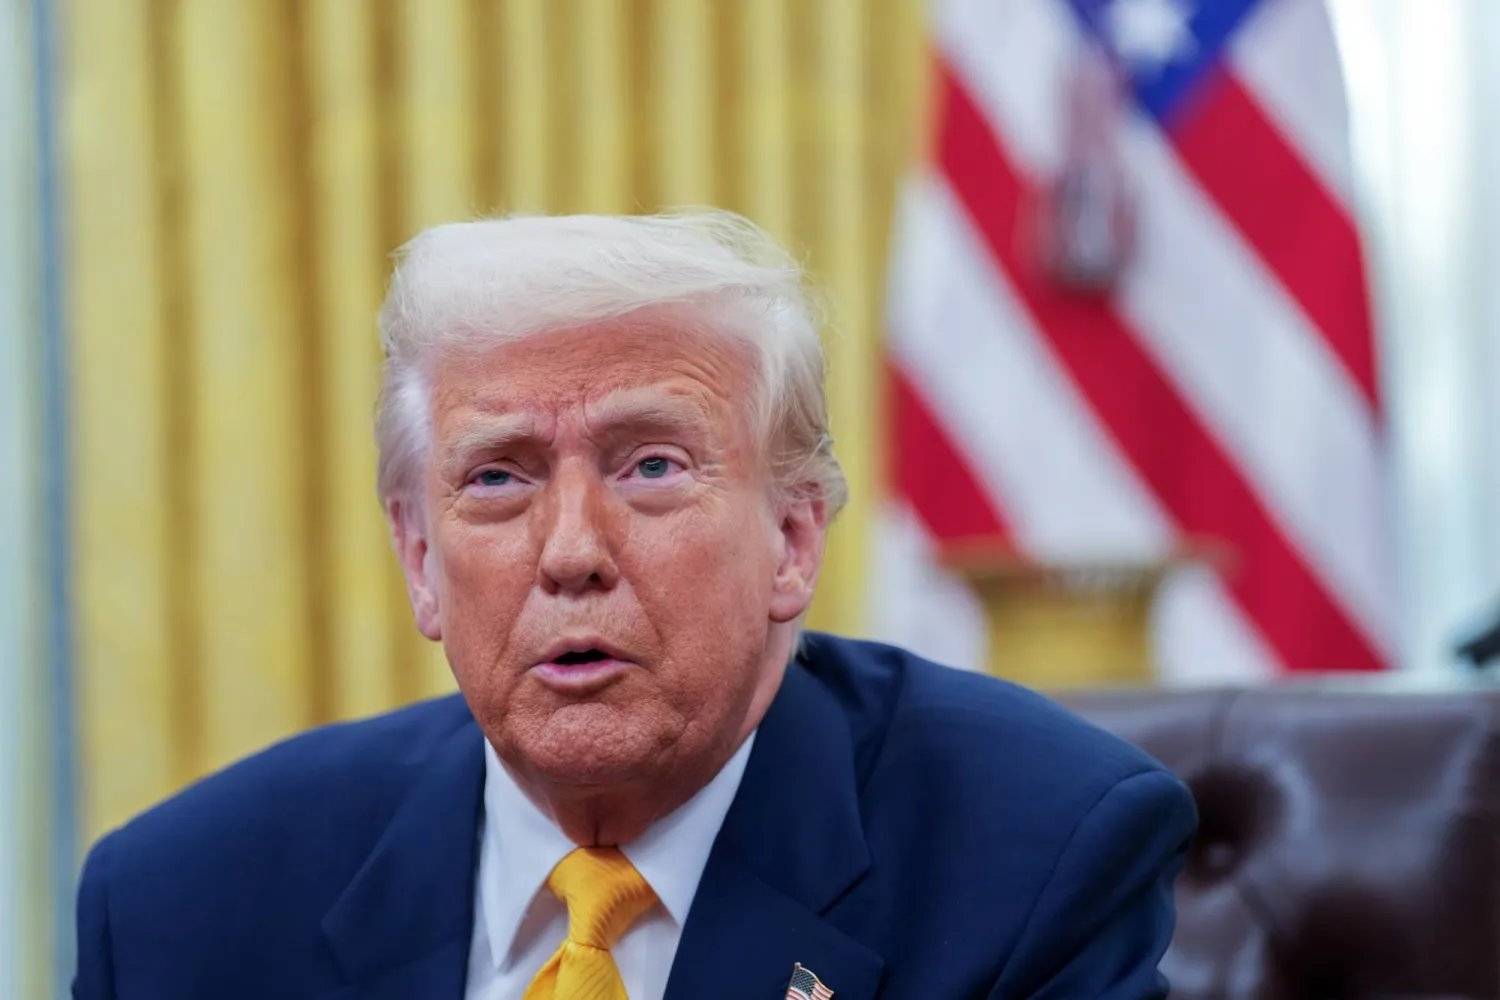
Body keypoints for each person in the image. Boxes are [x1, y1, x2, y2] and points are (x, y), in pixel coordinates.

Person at [72, 210, 1196, 1000]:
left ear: (793, 539)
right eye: (499, 476)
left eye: (651, 466)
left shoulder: (1037, 858)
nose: (570, 553)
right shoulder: (184, 906)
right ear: (419, 556)